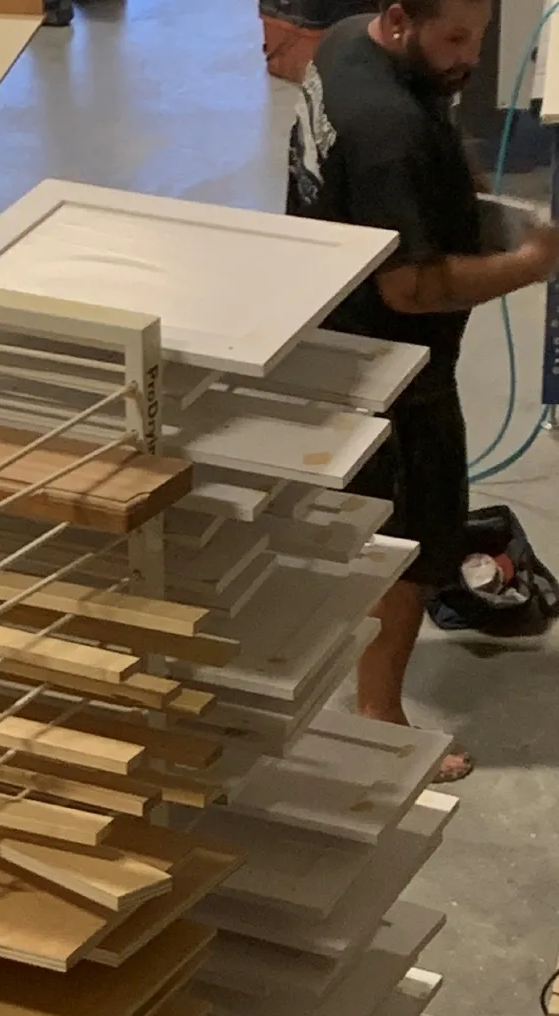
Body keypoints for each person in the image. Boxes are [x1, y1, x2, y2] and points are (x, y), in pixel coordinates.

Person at [287, 0, 559, 780]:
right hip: (388, 363)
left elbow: (419, 136)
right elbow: (411, 288)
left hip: (327, 320)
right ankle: (379, 720)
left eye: (480, 35)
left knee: (385, 523)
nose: (469, 55)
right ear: (403, 19)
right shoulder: (386, 130)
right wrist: (531, 264)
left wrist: (461, 186)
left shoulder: (349, 42)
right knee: (410, 540)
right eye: (455, 39)